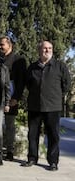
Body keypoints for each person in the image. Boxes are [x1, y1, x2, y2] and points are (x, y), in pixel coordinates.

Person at [23, 40, 71, 171]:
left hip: (53, 107)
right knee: (32, 134)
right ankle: (32, 158)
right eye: (44, 48)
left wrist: (55, 96)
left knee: (53, 135)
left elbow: (67, 85)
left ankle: (53, 162)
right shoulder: (32, 67)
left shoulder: (60, 66)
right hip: (35, 106)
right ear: (39, 50)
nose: (47, 50)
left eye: (50, 48)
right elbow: (28, 84)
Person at [0, 36, 27, 161]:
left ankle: (9, 151)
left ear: (10, 45)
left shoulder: (19, 60)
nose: (0, 47)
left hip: (11, 96)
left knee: (9, 125)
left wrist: (16, 98)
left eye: (2, 45)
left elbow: (21, 81)